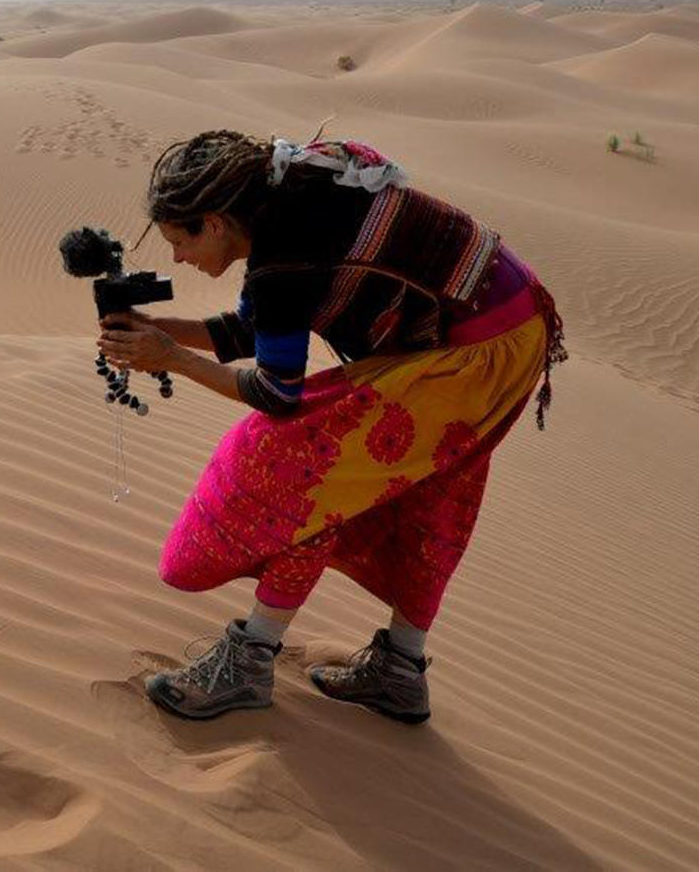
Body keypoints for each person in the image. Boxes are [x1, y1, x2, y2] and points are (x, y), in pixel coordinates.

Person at [97, 130, 564, 724]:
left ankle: (249, 660)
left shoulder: (283, 253)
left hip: (471, 355)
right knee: (421, 491)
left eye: (178, 241)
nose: (177, 260)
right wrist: (157, 329)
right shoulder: (288, 207)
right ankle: (399, 670)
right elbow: (256, 328)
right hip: (502, 335)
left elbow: (276, 393)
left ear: (215, 222)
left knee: (301, 465)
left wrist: (172, 360)